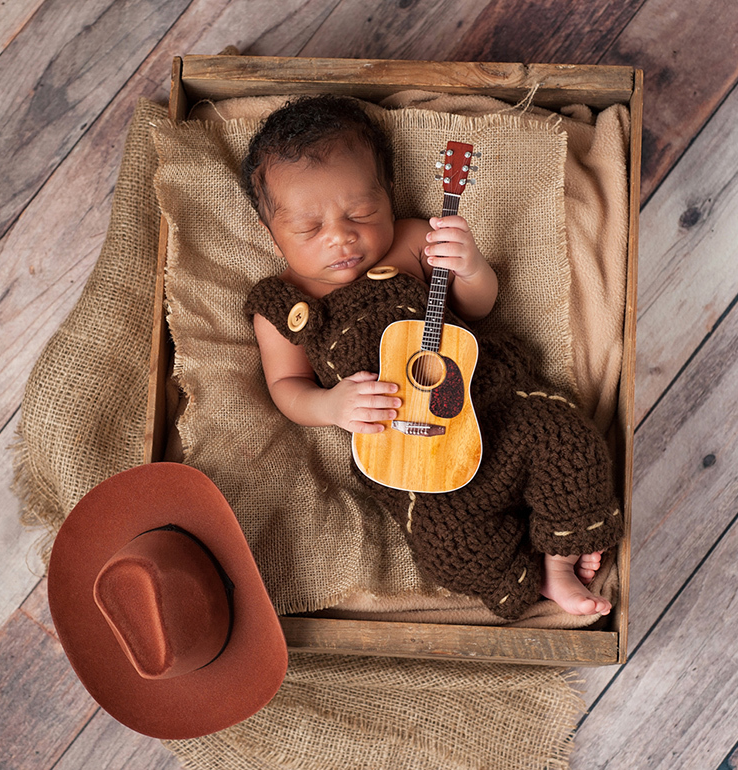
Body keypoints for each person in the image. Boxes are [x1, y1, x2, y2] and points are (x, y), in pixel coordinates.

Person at [243, 95, 620, 619]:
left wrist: (470, 266)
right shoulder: (282, 305)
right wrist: (331, 406)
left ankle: (558, 562)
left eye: (361, 212)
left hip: (492, 404)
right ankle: (524, 568)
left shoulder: (413, 240)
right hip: (414, 454)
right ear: (271, 231)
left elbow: (478, 307)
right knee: (448, 545)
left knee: (564, 433)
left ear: (388, 196)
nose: (342, 237)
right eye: (310, 229)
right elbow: (286, 389)